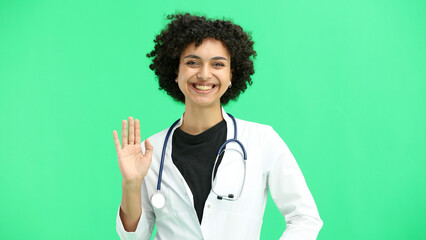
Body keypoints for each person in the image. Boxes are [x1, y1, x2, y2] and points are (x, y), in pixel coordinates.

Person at [113, 13, 323, 240]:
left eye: (218, 64)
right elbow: (134, 238)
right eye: (192, 62)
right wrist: (131, 184)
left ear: (232, 73)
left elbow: (305, 217)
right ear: (176, 71)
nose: (204, 74)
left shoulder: (261, 140)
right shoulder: (151, 150)